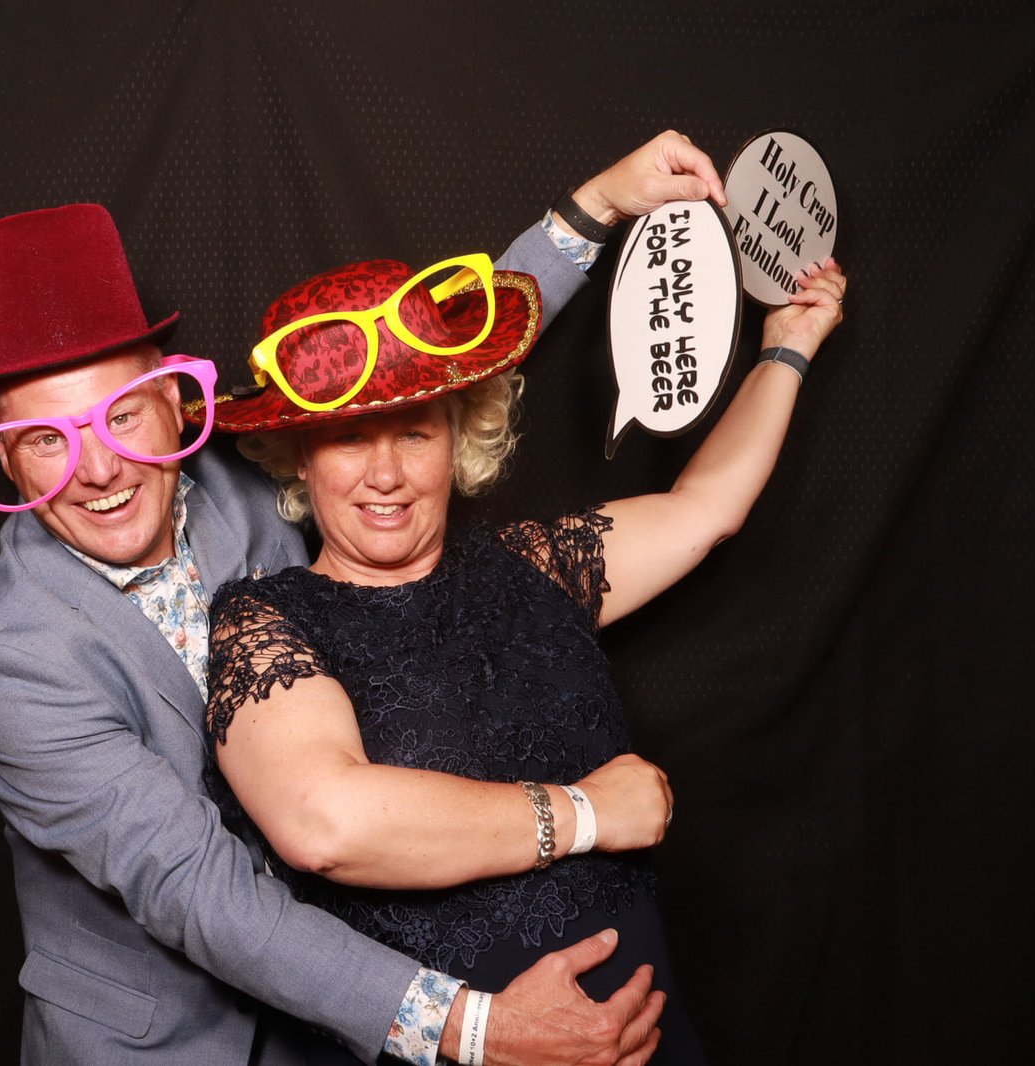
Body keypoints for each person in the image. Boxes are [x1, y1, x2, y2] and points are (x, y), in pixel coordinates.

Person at [0, 132, 727, 1066]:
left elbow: (419, 362)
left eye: (121, 416)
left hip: (341, 1006)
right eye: (46, 440)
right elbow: (199, 888)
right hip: (167, 1043)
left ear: (174, 402)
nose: (99, 469)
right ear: (2, 455)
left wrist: (596, 208)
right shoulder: (11, 662)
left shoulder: (242, 477)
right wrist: (473, 1027)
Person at [194, 208, 846, 1061]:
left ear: (457, 438)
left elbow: (705, 510)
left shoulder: (534, 565)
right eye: (350, 438)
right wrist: (588, 814)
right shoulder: (264, 621)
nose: (385, 473)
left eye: (415, 431)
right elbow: (326, 825)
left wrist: (786, 348)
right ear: (300, 457)